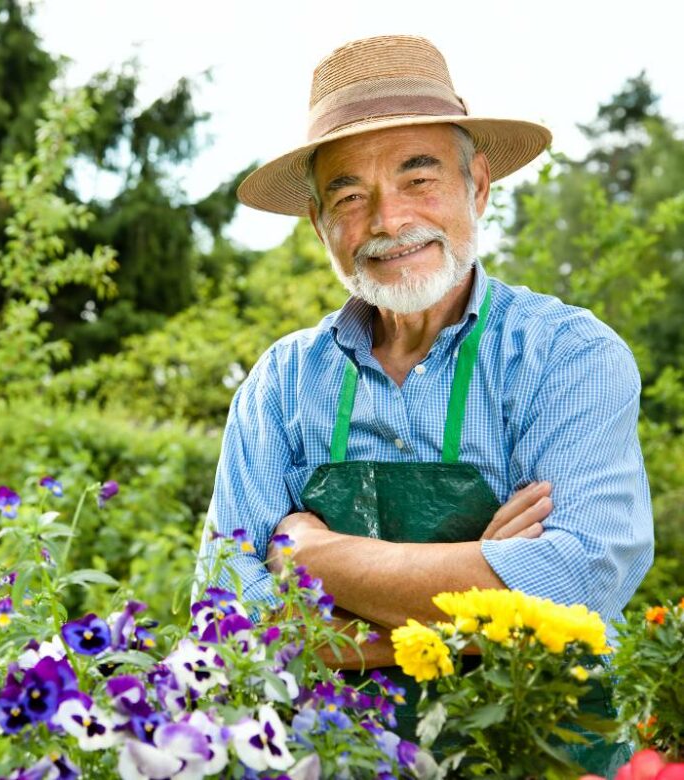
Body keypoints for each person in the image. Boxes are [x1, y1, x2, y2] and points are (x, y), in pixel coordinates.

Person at [194, 34, 653, 774]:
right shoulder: (279, 386)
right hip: (338, 759)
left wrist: (310, 557)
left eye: (418, 178)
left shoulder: (566, 356)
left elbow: (576, 583)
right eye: (349, 194)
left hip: (534, 754)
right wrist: (486, 584)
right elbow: (226, 616)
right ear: (318, 224)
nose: (387, 220)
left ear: (478, 185)